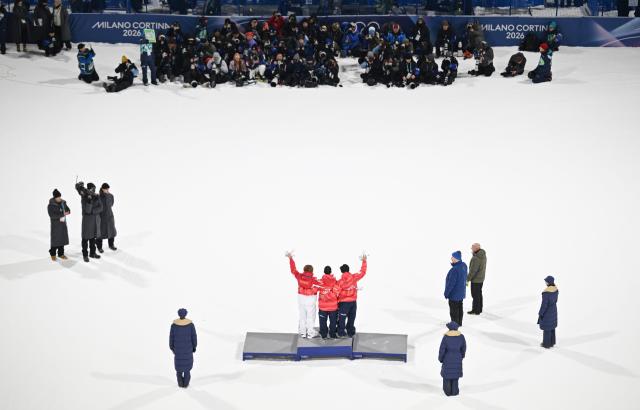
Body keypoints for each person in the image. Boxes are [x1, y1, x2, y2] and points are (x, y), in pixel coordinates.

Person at [287, 252, 321, 339]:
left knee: (302, 316)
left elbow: (293, 269)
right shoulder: (314, 280)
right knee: (310, 316)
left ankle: (302, 332)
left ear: (304, 270)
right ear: (312, 271)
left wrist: (290, 259)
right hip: (310, 299)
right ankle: (310, 333)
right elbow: (323, 286)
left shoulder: (299, 276)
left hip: (301, 298)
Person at [337, 254, 368, 338]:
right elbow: (363, 272)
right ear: (348, 270)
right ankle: (350, 332)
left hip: (343, 303)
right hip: (353, 302)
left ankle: (341, 332)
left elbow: (336, 292)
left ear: (342, 271)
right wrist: (364, 261)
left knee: (342, 318)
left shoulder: (339, 282)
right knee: (351, 317)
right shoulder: (354, 277)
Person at [75, 182, 103, 263]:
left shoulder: (97, 196)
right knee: (85, 239)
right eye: (92, 188)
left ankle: (92, 253)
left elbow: (101, 208)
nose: (93, 190)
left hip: (95, 221)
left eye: (94, 188)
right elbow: (87, 211)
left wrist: (93, 211)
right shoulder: (84, 197)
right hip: (87, 221)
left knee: (92, 238)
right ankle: (85, 255)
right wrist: (89, 200)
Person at [170, 308, 197, 388]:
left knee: (179, 369)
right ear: (185, 314)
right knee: (187, 369)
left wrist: (172, 347)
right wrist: (194, 346)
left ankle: (180, 384)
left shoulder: (174, 325)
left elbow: (171, 337)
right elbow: (194, 337)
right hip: (188, 350)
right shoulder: (190, 325)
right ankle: (186, 384)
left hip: (178, 351)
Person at [438, 321, 466, 397]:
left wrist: (440, 358)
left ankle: (447, 392)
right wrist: (461, 356)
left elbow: (442, 350)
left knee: (447, 375)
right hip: (457, 358)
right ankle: (455, 391)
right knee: (455, 376)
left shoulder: (446, 337)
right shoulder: (461, 337)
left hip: (447, 358)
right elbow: (463, 348)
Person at [444, 251, 467, 326]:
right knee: (460, 308)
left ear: (456, 258)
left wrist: (446, 293)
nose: (451, 258)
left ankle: (454, 325)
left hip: (454, 294)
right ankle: (459, 323)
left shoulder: (454, 270)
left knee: (454, 310)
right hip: (461, 293)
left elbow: (451, 284)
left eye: (452, 257)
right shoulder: (464, 266)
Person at [317, 266, 340, 339]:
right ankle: (332, 334)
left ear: (324, 272)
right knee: (333, 322)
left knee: (322, 322)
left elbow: (314, 290)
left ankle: (323, 334)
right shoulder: (335, 281)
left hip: (322, 307)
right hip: (333, 306)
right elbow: (338, 291)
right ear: (330, 272)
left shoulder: (319, 281)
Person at [47, 189, 70, 261]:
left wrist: (67, 211)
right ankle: (53, 254)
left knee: (62, 239)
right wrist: (62, 214)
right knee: (55, 240)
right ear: (54, 197)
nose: (60, 198)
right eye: (58, 197)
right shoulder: (51, 205)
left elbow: (68, 210)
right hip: (56, 225)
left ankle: (61, 254)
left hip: (63, 224)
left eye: (60, 197)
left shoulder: (63, 203)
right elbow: (52, 216)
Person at [538, 275, 558, 349]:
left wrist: (540, 313)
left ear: (548, 282)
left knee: (547, 329)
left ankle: (546, 344)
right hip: (554, 310)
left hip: (547, 312)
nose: (545, 283)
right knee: (552, 327)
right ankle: (552, 342)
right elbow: (555, 301)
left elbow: (544, 305)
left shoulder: (546, 293)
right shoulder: (556, 290)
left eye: (546, 281)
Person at [466, 243, 486, 315]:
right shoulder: (483, 255)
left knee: (475, 295)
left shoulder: (476, 258)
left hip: (476, 280)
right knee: (479, 294)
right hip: (481, 279)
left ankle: (476, 310)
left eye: (472, 248)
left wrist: (467, 279)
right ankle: (479, 309)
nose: (471, 249)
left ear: (476, 248)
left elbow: (473, 271)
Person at [97, 183, 117, 253]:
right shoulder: (98, 197)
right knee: (100, 233)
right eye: (106, 189)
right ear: (102, 189)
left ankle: (111, 245)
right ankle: (99, 247)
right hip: (101, 217)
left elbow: (111, 204)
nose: (107, 190)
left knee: (111, 231)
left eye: (108, 189)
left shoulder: (111, 196)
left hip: (109, 216)